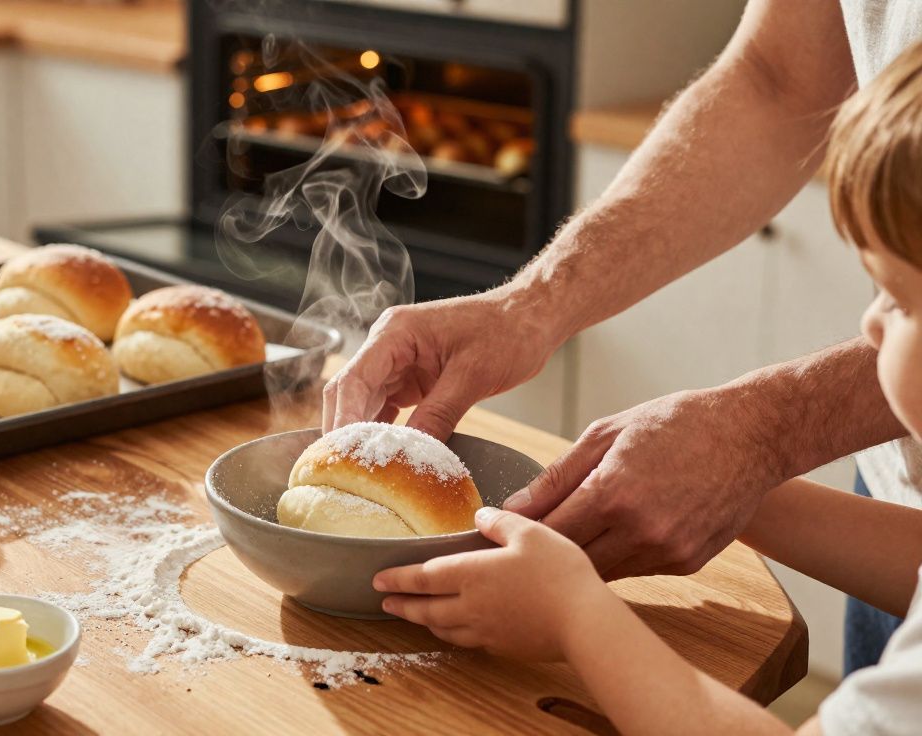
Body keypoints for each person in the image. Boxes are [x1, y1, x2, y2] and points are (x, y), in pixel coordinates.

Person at [324, 0, 921, 672]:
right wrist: (529, 305)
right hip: (894, 525)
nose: (867, 319)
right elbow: (775, 77)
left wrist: (763, 436)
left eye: (897, 301)